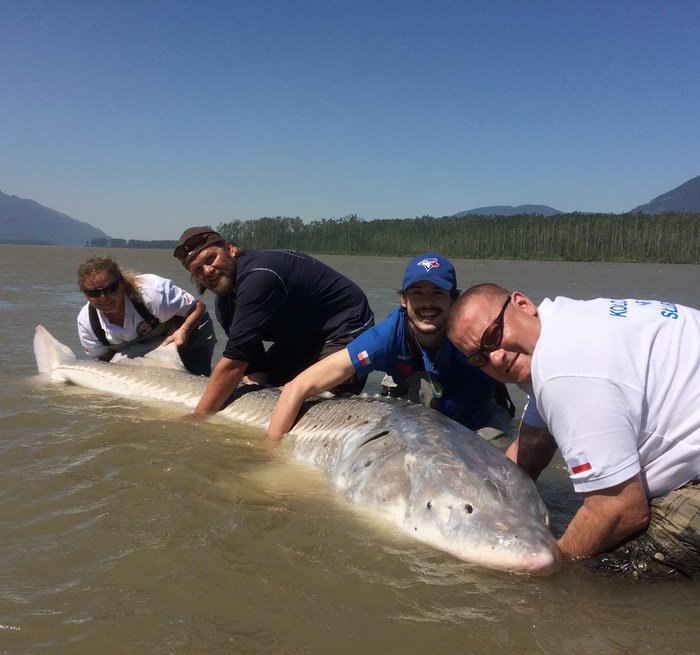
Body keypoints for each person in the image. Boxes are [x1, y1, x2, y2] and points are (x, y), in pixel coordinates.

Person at [447, 283, 700, 577]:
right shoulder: (564, 322)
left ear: (522, 303)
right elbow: (528, 453)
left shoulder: (562, 370)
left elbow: (620, 510)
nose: (496, 358)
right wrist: (485, 498)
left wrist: (553, 563)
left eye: (493, 335)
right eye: (480, 357)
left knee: (595, 572)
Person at [265, 253, 513, 443]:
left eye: (438, 293)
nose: (427, 303)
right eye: (417, 293)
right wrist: (271, 455)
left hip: (479, 415)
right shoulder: (387, 336)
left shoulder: (475, 332)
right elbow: (298, 386)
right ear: (404, 300)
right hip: (422, 406)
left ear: (454, 299)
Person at [173, 227, 374, 415]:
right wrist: (258, 378)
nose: (207, 271)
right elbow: (250, 353)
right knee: (257, 390)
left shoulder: (260, 276)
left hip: (346, 328)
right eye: (198, 270)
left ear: (230, 249)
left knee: (325, 402)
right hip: (301, 340)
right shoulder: (225, 306)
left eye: (211, 258)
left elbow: (235, 360)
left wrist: (198, 419)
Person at [76, 256, 216, 376]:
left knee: (200, 380)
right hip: (140, 350)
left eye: (110, 289)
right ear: (84, 293)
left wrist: (184, 330)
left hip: (188, 333)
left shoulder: (152, 293)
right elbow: (106, 360)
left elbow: (197, 306)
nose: (104, 297)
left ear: (122, 283)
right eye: (94, 293)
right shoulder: (87, 322)